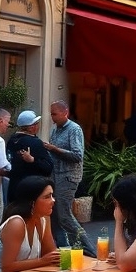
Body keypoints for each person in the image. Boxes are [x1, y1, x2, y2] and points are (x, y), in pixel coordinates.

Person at [43, 101, 95, 254]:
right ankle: (64, 248)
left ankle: (88, 249)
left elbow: (77, 155)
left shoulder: (74, 129)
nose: (52, 117)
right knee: (55, 215)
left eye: (54, 114)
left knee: (64, 215)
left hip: (68, 177)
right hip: (56, 176)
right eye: (51, 114)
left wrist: (54, 149)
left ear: (65, 113)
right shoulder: (55, 130)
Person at [6, 112, 53, 203]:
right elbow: (48, 167)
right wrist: (33, 160)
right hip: (31, 190)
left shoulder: (11, 141)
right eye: (37, 123)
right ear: (32, 127)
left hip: (13, 188)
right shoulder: (35, 143)